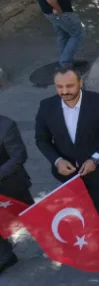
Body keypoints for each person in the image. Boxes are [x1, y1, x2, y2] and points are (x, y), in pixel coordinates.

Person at [34, 67, 99, 274]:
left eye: (70, 86)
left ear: (81, 83)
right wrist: (57, 161)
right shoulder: (46, 106)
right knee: (83, 213)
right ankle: (93, 242)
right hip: (68, 175)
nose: (64, 91)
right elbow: (42, 140)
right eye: (59, 87)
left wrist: (96, 158)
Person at [0, 115, 31, 274]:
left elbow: (19, 156)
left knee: (35, 218)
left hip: (10, 186)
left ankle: (67, 241)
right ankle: (5, 257)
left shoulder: (6, 125)